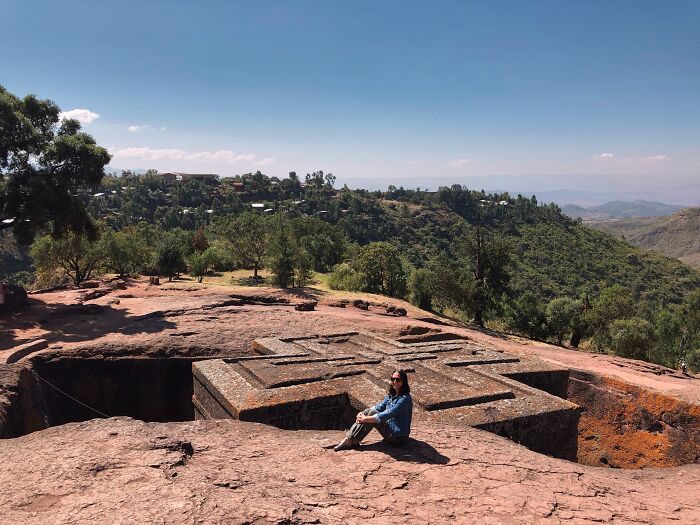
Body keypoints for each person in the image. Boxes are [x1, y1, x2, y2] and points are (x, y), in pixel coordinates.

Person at [334, 368, 413, 451]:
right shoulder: (392, 395)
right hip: (391, 432)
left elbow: (389, 414)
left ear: (404, 381)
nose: (395, 382)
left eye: (398, 380)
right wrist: (362, 413)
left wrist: (365, 419)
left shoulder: (405, 399)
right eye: (393, 379)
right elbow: (378, 407)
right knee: (369, 412)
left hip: (398, 437)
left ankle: (350, 440)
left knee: (371, 414)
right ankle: (350, 439)